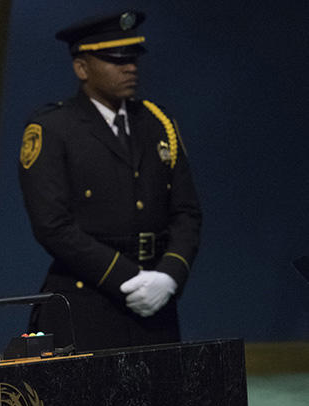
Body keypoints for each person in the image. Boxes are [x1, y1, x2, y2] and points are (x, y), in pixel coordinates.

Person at [18, 10, 202, 351]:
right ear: (82, 68)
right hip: (87, 299)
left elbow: (187, 212)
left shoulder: (158, 123)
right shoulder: (54, 128)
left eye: (133, 58)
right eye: (115, 59)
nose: (129, 67)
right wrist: (126, 277)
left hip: (156, 301)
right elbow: (52, 225)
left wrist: (169, 276)